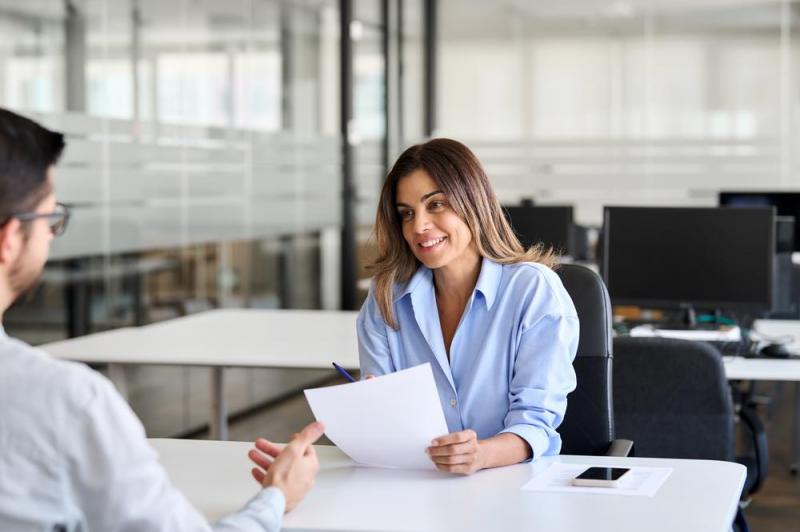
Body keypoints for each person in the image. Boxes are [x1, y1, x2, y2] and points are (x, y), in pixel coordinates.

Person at [0, 107, 322, 531]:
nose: (50, 235)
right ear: (8, 239)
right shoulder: (66, 405)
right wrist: (278, 495)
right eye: (49, 219)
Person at [358, 138, 579, 475]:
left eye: (436, 205)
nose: (419, 227)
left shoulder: (531, 290)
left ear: (472, 202)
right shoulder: (386, 298)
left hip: (511, 484)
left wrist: (481, 455)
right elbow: (382, 422)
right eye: (407, 213)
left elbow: (535, 425)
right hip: (415, 484)